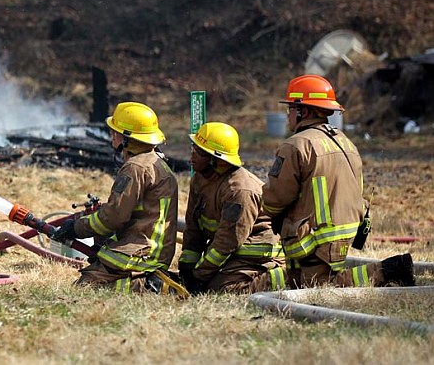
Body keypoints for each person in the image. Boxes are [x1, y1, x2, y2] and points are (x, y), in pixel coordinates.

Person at [260, 74, 414, 288]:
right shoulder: (345, 141)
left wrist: (266, 210)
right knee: (295, 281)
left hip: (318, 236)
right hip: (345, 230)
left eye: (290, 110)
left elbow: (276, 198)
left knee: (318, 286)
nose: (287, 117)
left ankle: (389, 269)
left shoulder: (296, 145)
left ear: (303, 111)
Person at [53, 101, 180, 294]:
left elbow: (113, 217)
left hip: (140, 254)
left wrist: (76, 229)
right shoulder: (159, 164)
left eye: (115, 132)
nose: (112, 136)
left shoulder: (135, 168)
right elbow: (133, 214)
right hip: (153, 251)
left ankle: (149, 287)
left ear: (127, 139)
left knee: (85, 288)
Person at [179, 122, 286, 294]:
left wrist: (199, 276)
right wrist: (186, 267)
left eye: (199, 152)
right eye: (193, 147)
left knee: (220, 290)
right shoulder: (200, 179)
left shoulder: (239, 191)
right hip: (230, 252)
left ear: (215, 159)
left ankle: (287, 277)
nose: (192, 155)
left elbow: (227, 241)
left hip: (257, 255)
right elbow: (193, 227)